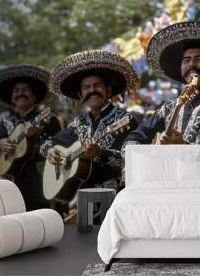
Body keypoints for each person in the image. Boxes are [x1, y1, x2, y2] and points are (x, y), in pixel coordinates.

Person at [40, 50, 139, 201]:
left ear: (108, 91)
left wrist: (101, 153)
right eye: (86, 87)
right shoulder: (79, 122)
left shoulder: (126, 119)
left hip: (117, 196)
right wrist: (49, 150)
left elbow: (136, 160)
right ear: (80, 95)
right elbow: (50, 141)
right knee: (86, 226)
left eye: (97, 85)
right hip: (85, 195)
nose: (92, 90)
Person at [0, 64, 62, 210]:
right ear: (11, 98)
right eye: (16, 91)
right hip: (12, 180)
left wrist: (37, 134)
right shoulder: (6, 121)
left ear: (35, 96)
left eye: (25, 90)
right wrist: (1, 143)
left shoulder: (49, 119)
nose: (20, 93)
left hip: (40, 180)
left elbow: (58, 146)